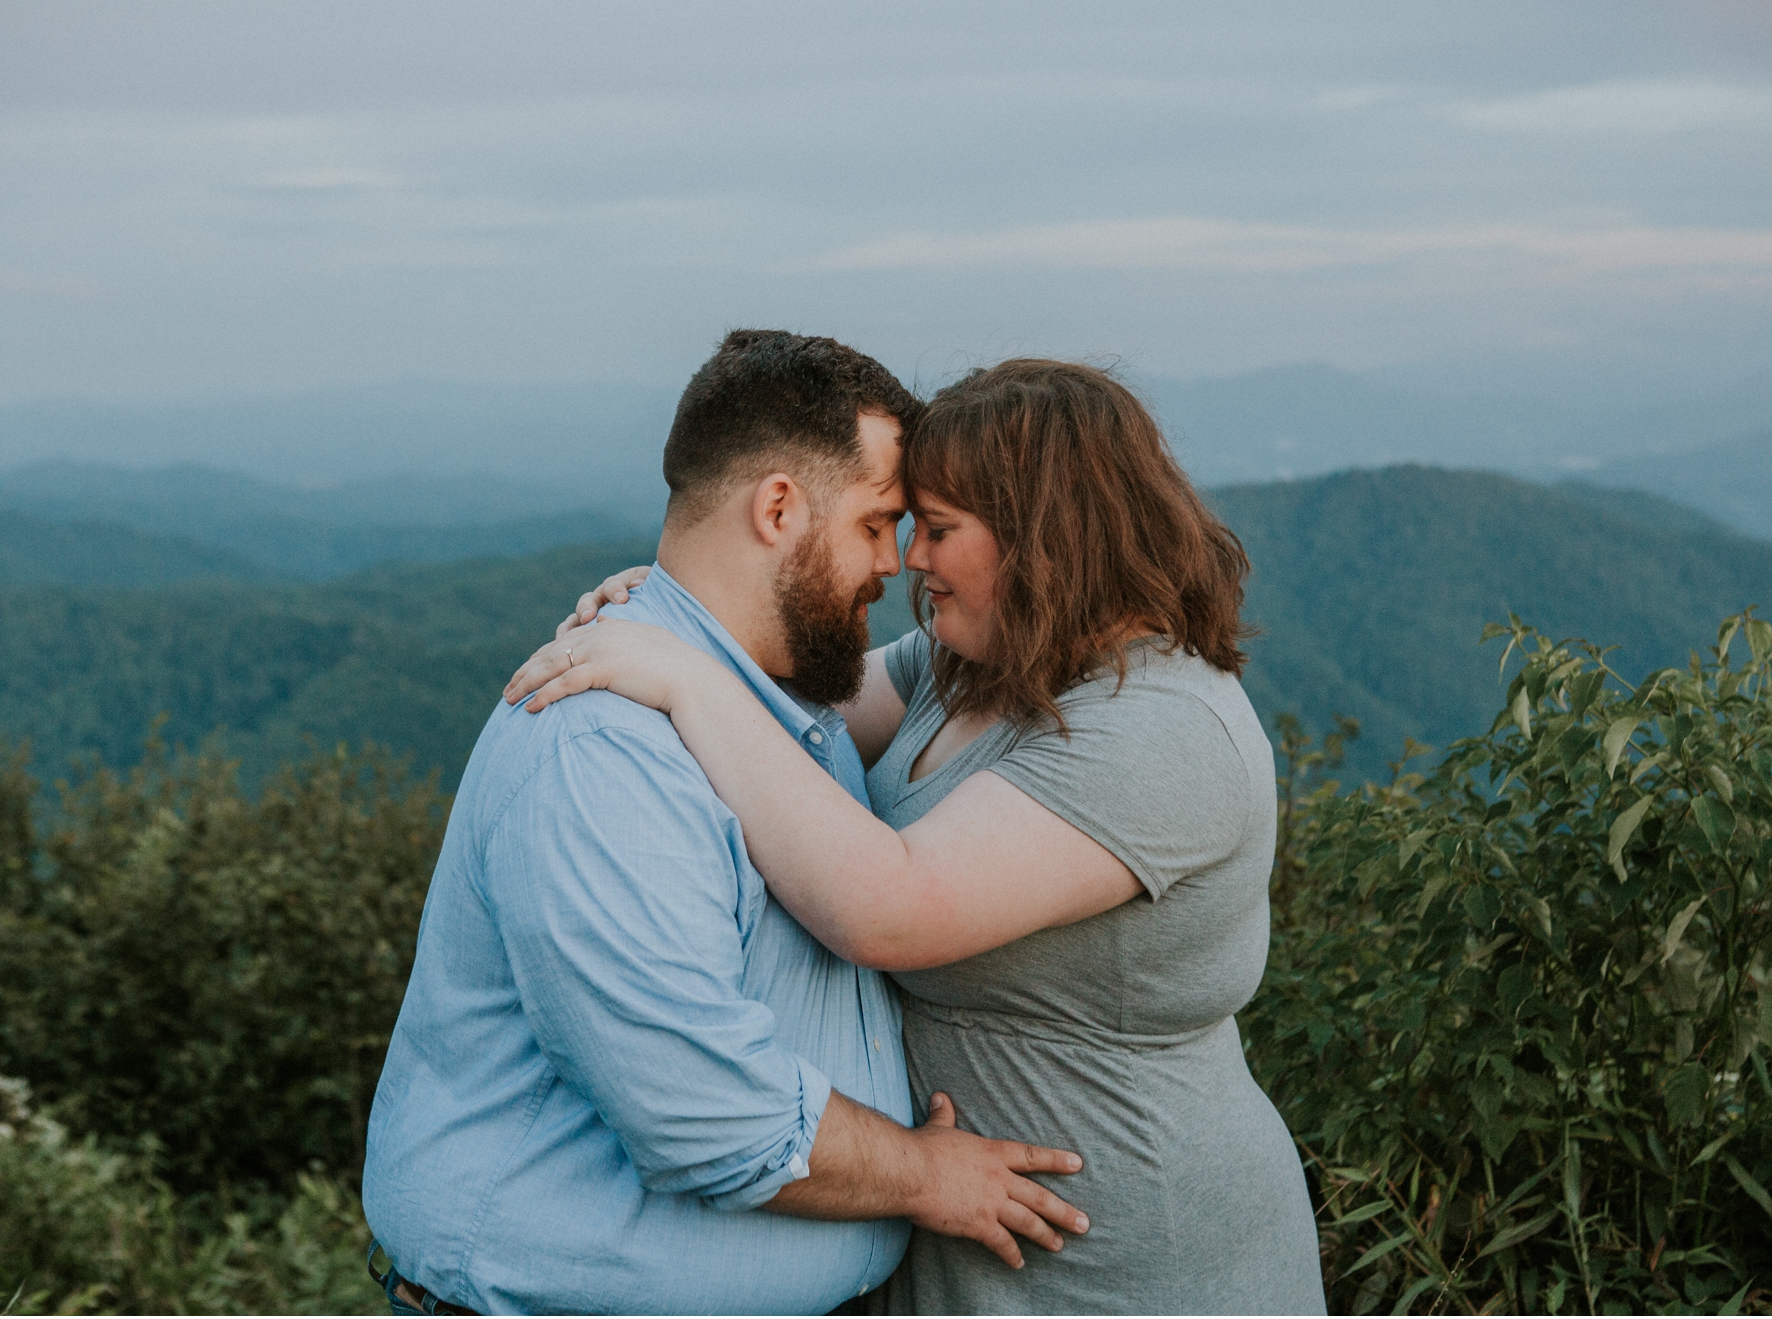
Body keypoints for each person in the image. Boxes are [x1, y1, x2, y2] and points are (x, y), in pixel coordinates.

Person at [506, 358, 1329, 1315]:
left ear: (1046, 536)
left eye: (938, 529)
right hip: (962, 1259)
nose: (910, 560)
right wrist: (694, 614)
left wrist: (686, 676)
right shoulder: (970, 664)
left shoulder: (1164, 731)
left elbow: (886, 907)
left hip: (1132, 1262)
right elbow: (794, 713)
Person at [363, 332, 1089, 1318]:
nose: (898, 561)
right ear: (778, 507)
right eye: (879, 522)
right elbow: (701, 1112)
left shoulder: (769, 702)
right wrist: (925, 1177)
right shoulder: (603, 751)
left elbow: (990, 649)